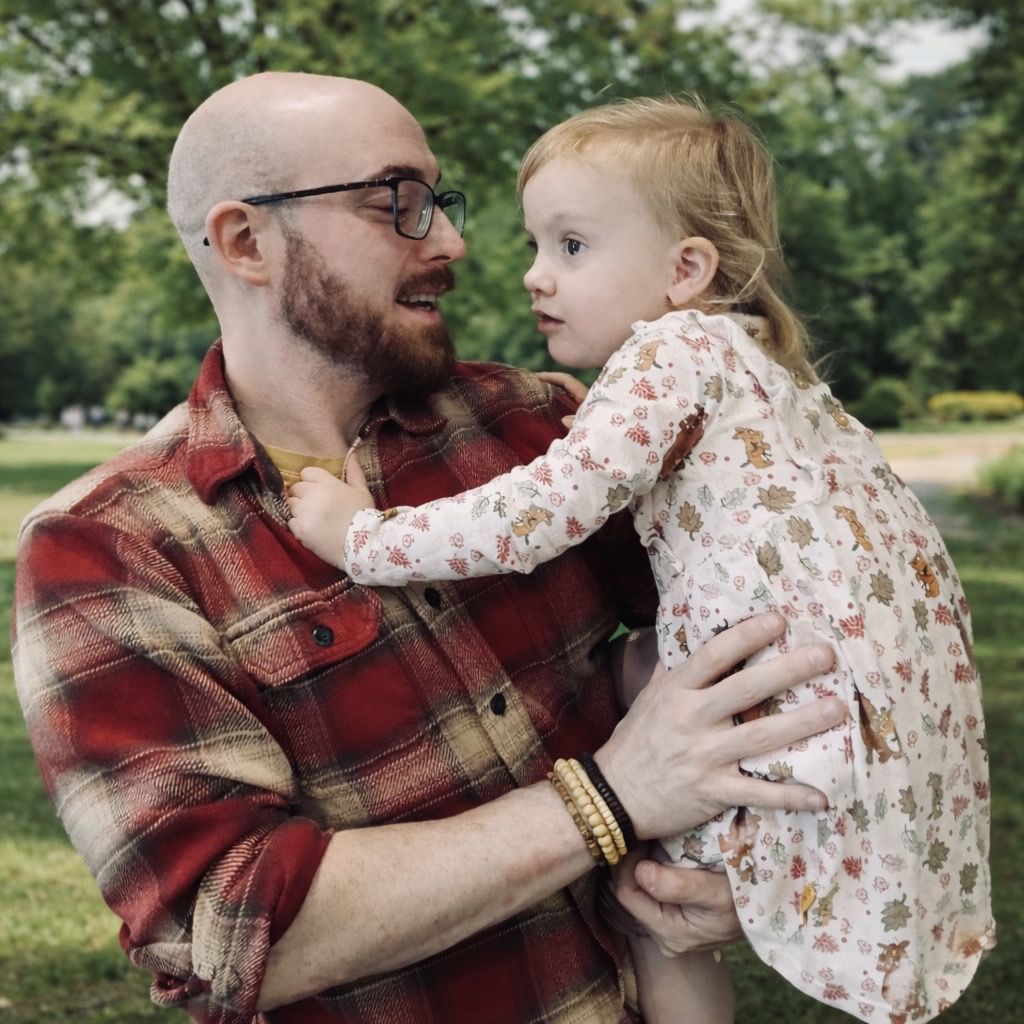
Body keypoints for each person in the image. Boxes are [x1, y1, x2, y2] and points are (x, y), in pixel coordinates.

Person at [10, 74, 848, 1024]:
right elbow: (231, 931)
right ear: (247, 241)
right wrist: (613, 799)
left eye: (440, 202)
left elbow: (770, 652)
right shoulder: (108, 547)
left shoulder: (551, 428)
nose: (450, 241)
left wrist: (743, 863)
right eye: (396, 203)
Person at [285, 95, 995, 1023]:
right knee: (646, 819)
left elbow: (532, 517)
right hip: (862, 699)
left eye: (573, 247)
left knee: (655, 906)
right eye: (538, 245)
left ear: (685, 269)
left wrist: (358, 536)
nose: (535, 276)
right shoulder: (757, 363)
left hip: (770, 706)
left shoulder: (669, 350)